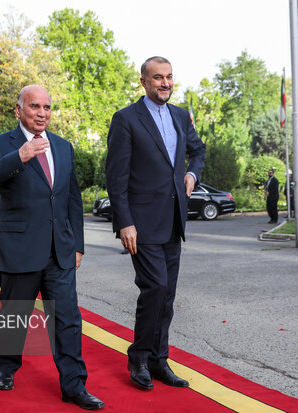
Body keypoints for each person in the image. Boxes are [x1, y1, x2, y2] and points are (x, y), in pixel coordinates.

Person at [0, 85, 104, 410]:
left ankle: (73, 385)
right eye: (34, 106)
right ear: (19, 110)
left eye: (47, 107)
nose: (42, 112)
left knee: (68, 319)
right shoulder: (1, 145)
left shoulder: (63, 146)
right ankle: (7, 367)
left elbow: (72, 199)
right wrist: (19, 157)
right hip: (18, 248)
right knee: (15, 315)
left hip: (60, 251)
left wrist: (78, 245)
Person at [106, 56, 206, 391]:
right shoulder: (125, 120)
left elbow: (198, 151)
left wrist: (192, 174)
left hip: (173, 221)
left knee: (167, 295)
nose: (165, 83)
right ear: (144, 81)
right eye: (158, 77)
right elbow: (116, 177)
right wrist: (124, 222)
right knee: (155, 287)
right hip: (142, 224)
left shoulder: (180, 116)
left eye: (169, 77)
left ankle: (160, 360)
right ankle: (139, 358)